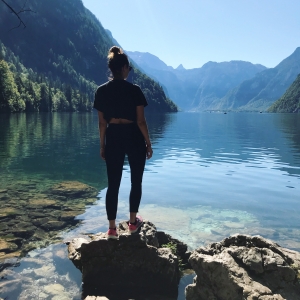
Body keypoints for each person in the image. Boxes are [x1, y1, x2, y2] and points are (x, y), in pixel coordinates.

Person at [93, 46, 153, 239]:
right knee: (136, 181)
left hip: (113, 136)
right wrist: (148, 143)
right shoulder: (134, 90)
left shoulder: (101, 91)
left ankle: (111, 229)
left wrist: (102, 145)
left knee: (113, 184)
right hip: (133, 135)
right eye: (129, 68)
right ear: (125, 68)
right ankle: (133, 223)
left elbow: (102, 123)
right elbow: (141, 121)